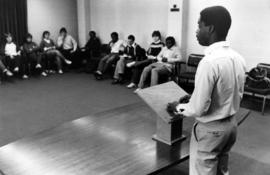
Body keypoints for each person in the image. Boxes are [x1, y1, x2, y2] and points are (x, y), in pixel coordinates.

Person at [168, 6, 247, 175]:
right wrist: (195, 96)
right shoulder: (238, 58)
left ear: (210, 28)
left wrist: (178, 107)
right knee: (221, 171)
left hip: (211, 130)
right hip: (230, 127)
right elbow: (231, 92)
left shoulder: (209, 62)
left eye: (199, 25)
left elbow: (198, 109)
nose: (196, 31)